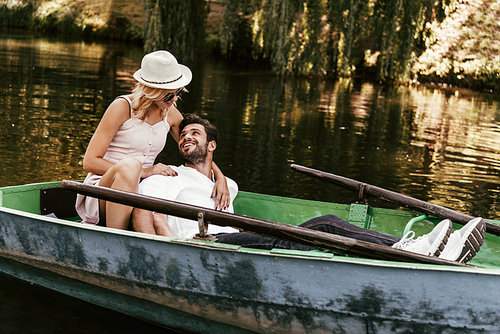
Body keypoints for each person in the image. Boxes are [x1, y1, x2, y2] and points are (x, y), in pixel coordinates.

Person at [132, 114, 486, 263]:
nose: (186, 138)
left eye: (196, 134)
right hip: (203, 244)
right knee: (327, 224)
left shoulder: (227, 184)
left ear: (211, 147)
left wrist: (221, 180)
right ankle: (416, 249)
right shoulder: (167, 177)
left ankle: (425, 251)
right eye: (184, 135)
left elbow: (234, 219)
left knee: (313, 233)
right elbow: (145, 211)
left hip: (234, 241)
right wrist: (170, 248)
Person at [75, 50, 230, 229]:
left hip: (142, 190)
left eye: (177, 92)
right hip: (104, 190)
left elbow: (198, 147)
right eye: (168, 95)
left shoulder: (169, 113)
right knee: (130, 166)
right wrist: (145, 171)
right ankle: (116, 238)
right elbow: (89, 162)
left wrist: (220, 177)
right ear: (151, 91)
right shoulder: (122, 107)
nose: (174, 99)